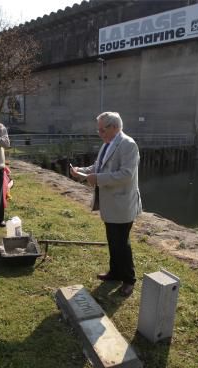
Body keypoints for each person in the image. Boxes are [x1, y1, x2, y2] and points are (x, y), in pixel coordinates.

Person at [70, 112, 142, 297]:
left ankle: (129, 279)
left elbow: (126, 174)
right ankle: (115, 272)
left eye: (102, 129)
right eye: (98, 129)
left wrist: (97, 178)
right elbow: (97, 167)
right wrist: (81, 172)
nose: (99, 133)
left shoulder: (128, 145)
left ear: (114, 127)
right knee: (113, 240)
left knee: (122, 243)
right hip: (111, 203)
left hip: (123, 203)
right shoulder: (107, 143)